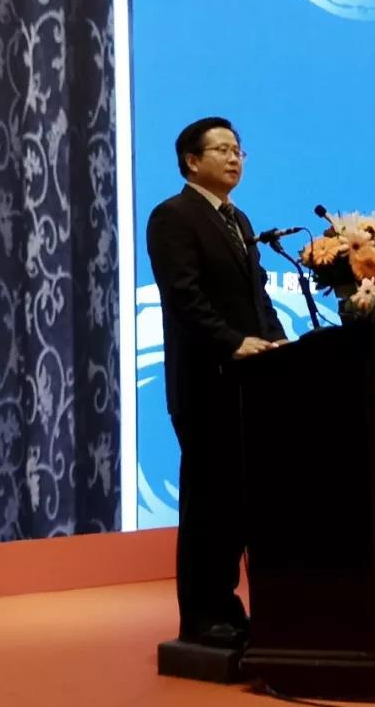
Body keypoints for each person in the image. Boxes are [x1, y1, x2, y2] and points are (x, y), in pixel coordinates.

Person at [146, 116, 287, 648]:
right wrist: (232, 341)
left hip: (248, 384)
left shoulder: (237, 219)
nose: (234, 158)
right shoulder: (173, 216)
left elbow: (257, 295)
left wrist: (276, 340)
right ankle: (201, 617)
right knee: (209, 504)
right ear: (191, 161)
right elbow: (183, 297)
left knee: (239, 505)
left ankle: (228, 606)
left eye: (238, 150)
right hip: (205, 383)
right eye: (222, 150)